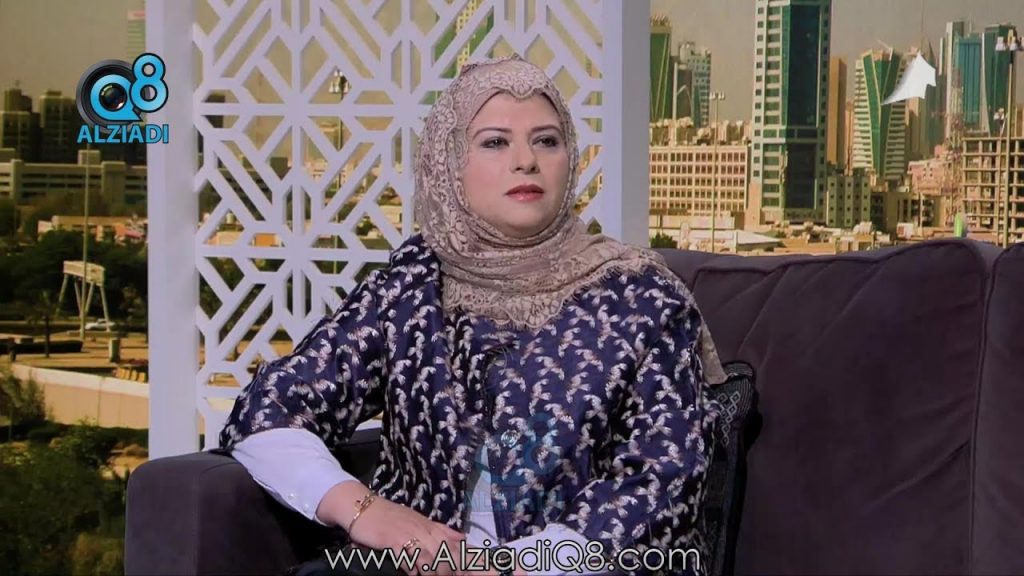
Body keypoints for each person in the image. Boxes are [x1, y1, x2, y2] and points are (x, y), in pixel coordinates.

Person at [217, 54, 727, 576]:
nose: (526, 161)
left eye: (547, 140)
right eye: (495, 142)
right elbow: (268, 408)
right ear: (450, 163)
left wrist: (517, 566)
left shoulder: (640, 297)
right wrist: (366, 510)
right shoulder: (412, 286)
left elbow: (662, 477)